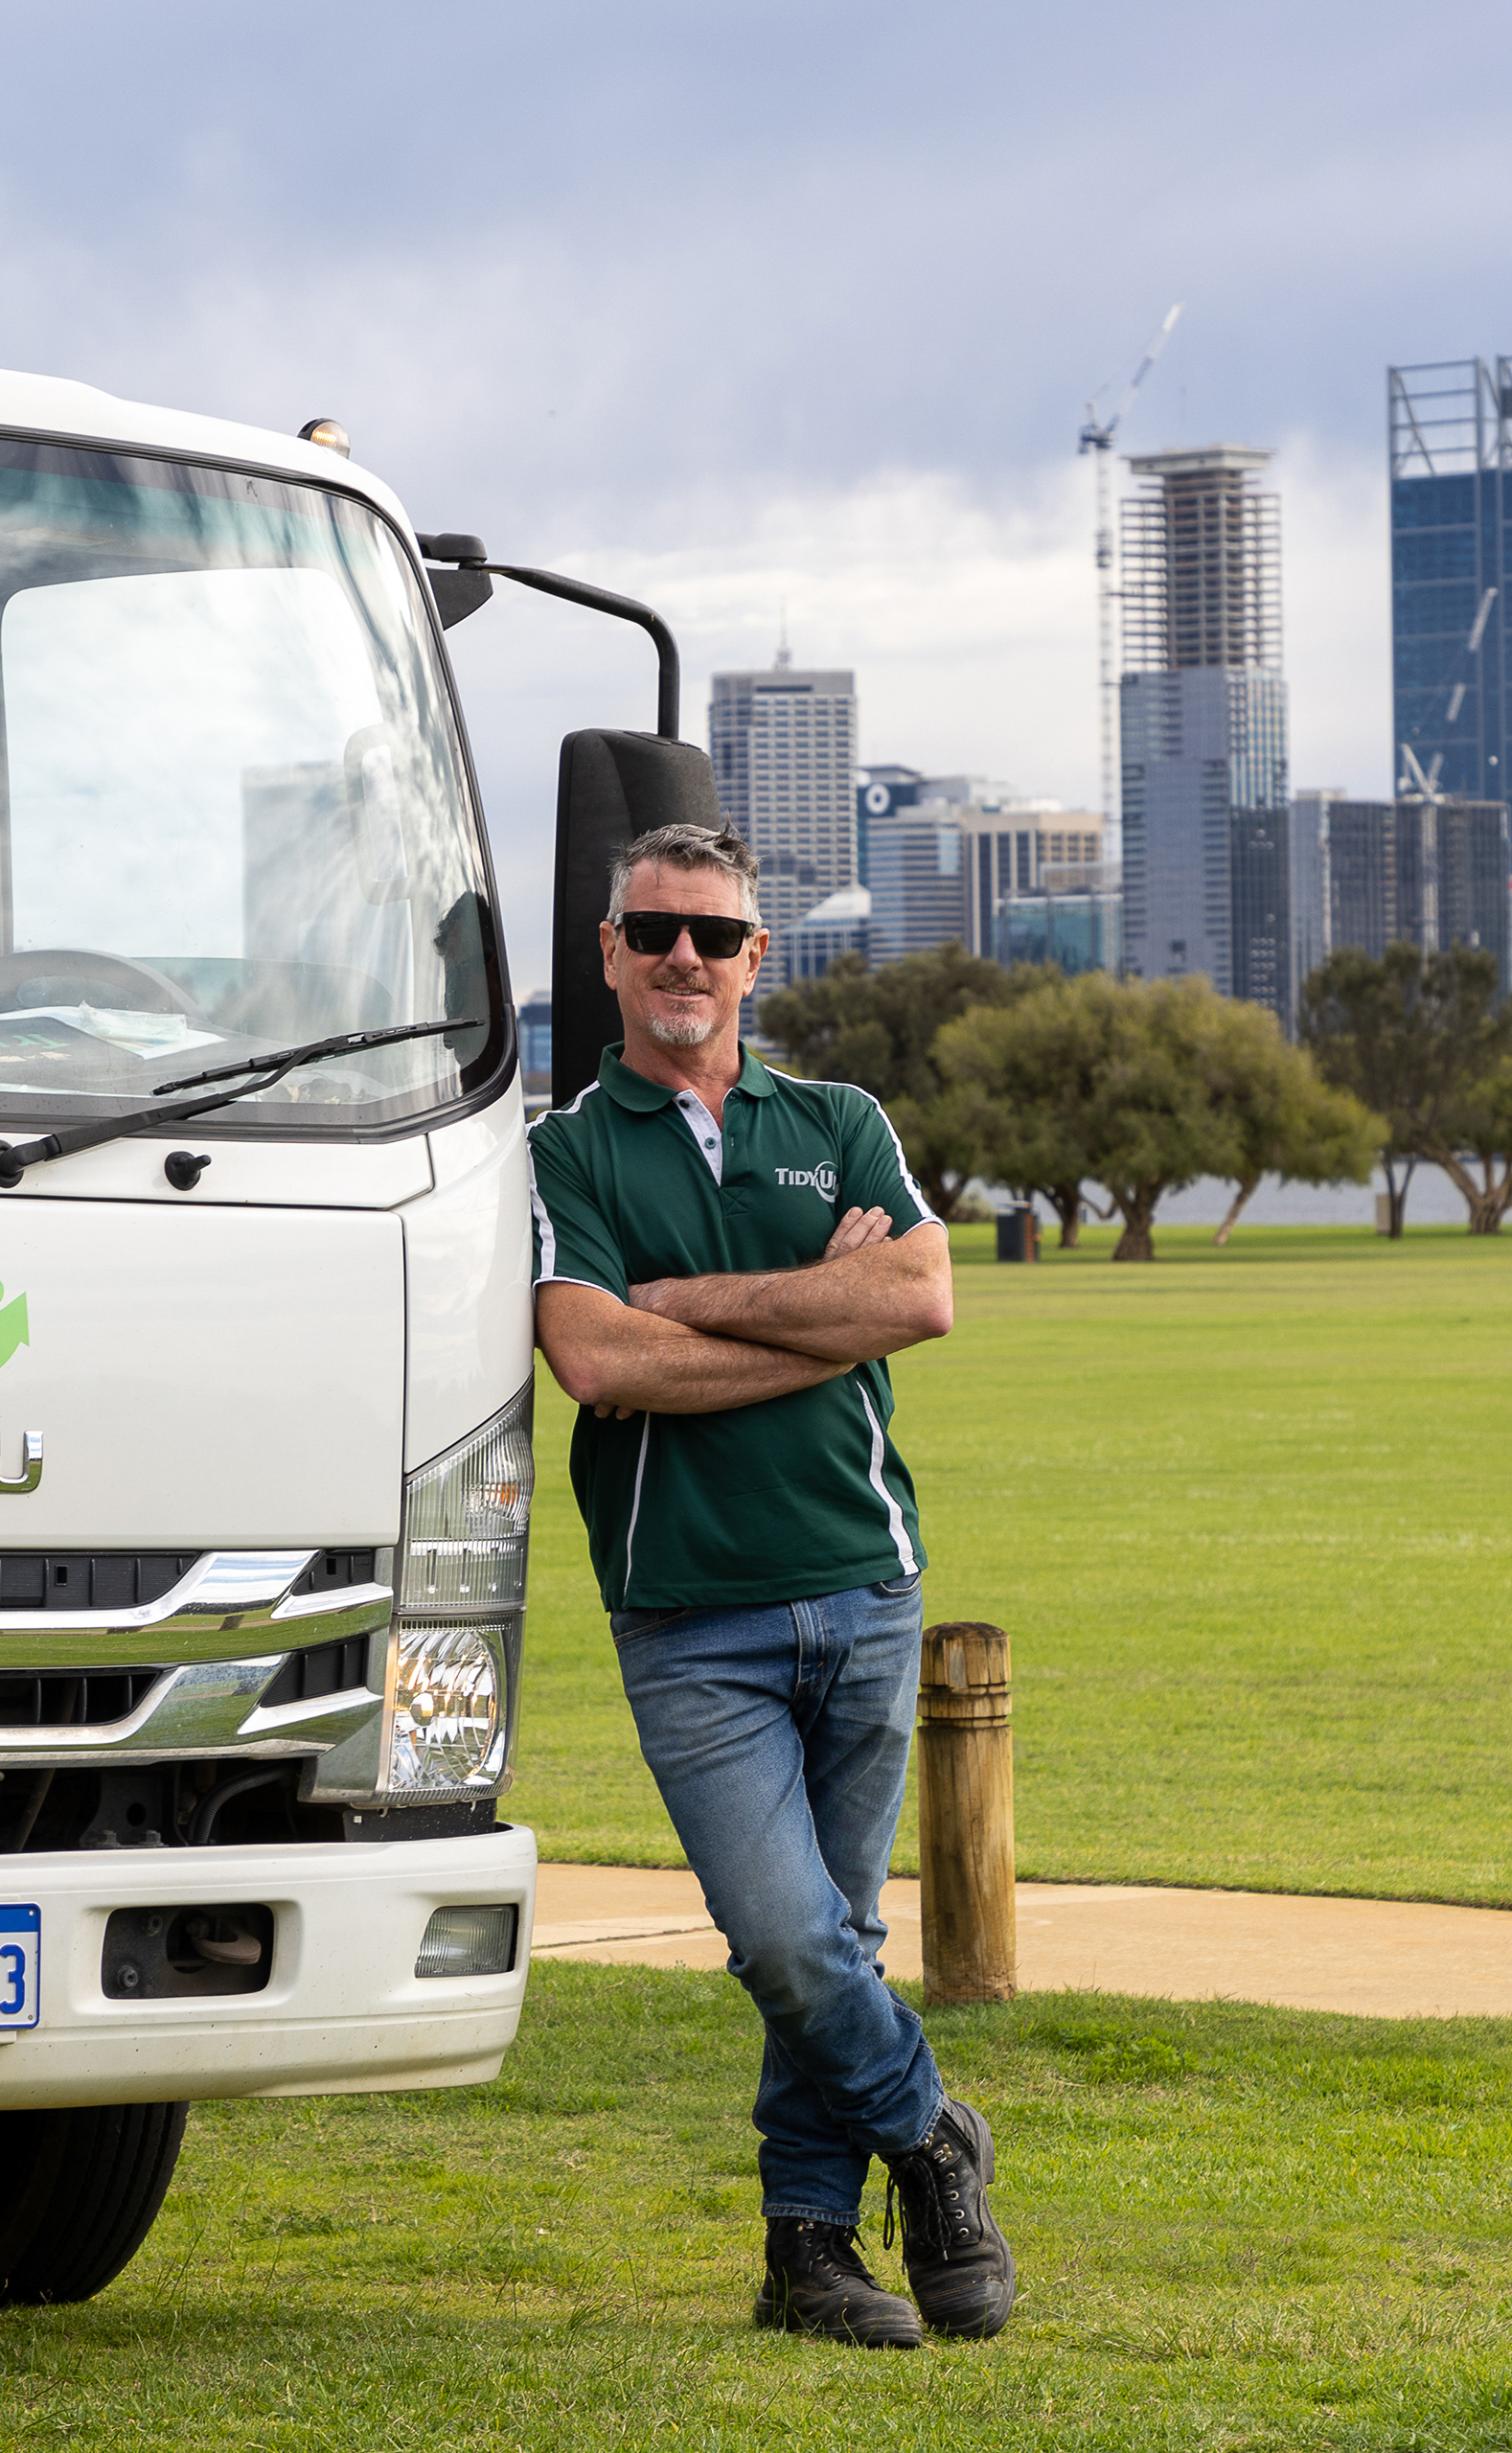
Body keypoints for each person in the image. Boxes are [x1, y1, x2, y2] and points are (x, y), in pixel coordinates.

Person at [526, 821, 1008, 2350]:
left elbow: (920, 1293)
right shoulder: (563, 1152)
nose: (686, 957)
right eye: (656, 930)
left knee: (836, 1944)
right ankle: (931, 2137)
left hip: (864, 1585)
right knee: (787, 1941)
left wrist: (693, 1308)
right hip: (689, 1613)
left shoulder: (840, 1119)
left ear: (757, 959)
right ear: (610, 952)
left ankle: (810, 2255)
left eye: (716, 935)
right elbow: (595, 1356)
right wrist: (820, 1315)